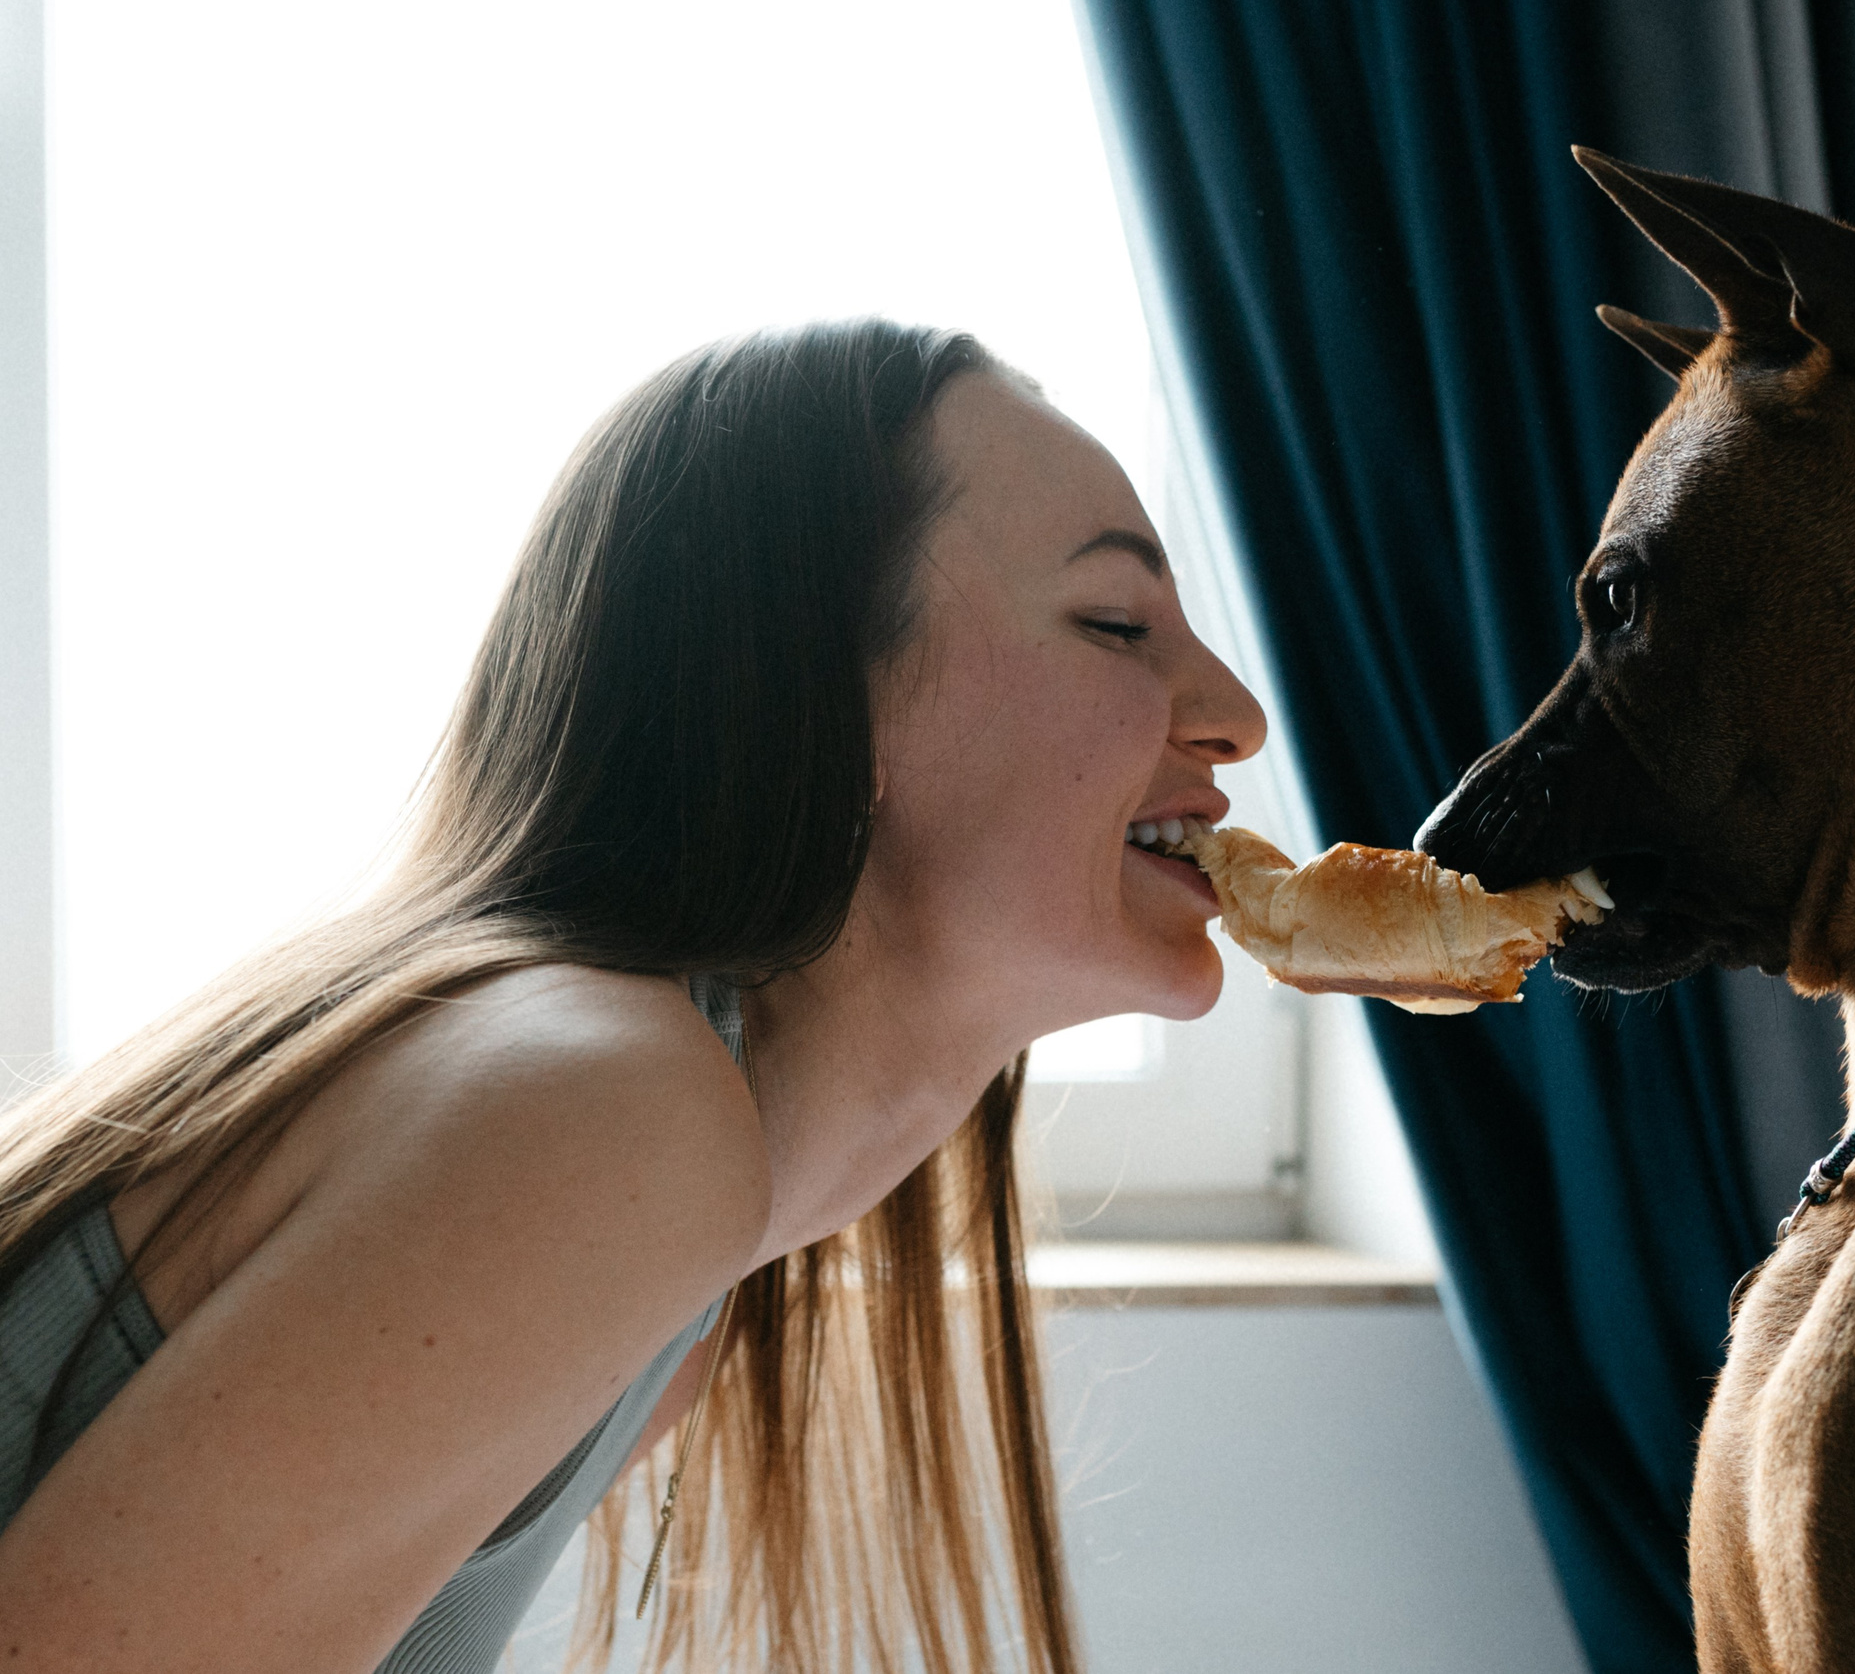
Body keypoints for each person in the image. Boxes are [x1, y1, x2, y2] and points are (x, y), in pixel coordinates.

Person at [0, 319, 1266, 1673]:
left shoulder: (684, 1235)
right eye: (1118, 625)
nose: (1238, 717)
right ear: (821, 702)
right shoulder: (608, 1115)